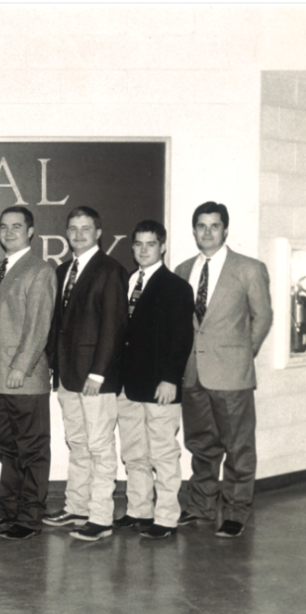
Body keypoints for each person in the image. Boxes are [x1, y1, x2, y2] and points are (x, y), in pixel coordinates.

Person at [175, 202, 272, 538]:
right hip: (193, 373)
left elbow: (263, 318)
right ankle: (200, 507)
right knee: (201, 445)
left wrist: (243, 354)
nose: (207, 232)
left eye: (214, 226)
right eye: (201, 225)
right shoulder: (182, 269)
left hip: (232, 374)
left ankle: (235, 511)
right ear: (194, 230)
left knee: (237, 446)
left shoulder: (248, 269)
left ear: (225, 230)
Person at [0, 207, 56, 541]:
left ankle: (30, 517)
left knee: (32, 449)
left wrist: (21, 366)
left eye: (16, 227)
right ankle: (9, 511)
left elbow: (39, 326)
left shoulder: (40, 270)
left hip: (24, 377)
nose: (9, 232)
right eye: (3, 227)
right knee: (7, 447)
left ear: (31, 232)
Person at [45, 206, 127, 542]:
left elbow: (114, 326)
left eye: (85, 228)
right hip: (68, 376)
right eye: (73, 228)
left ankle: (100, 517)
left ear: (98, 233)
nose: (78, 234)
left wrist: (98, 373)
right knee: (77, 443)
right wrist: (55, 367)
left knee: (99, 446)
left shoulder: (111, 270)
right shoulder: (64, 269)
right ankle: (77, 506)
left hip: (96, 379)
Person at [114, 221, 194, 540]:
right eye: (138, 244)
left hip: (161, 385)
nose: (143, 250)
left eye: (150, 244)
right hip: (128, 385)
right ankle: (138, 510)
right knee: (134, 451)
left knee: (162, 453)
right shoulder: (128, 281)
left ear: (162, 246)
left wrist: (171, 379)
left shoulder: (176, 287)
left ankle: (165, 518)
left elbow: (181, 338)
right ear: (132, 247)